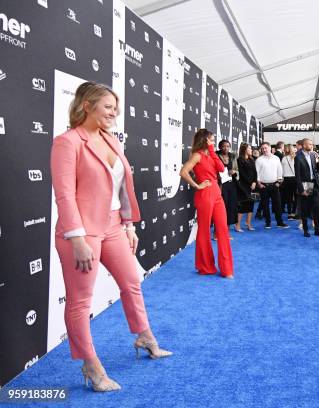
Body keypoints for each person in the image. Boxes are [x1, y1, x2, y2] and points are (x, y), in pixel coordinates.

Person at [50, 82, 171, 392]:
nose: (114, 112)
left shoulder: (111, 139)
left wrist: (129, 225)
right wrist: (76, 238)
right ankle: (91, 366)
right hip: (82, 231)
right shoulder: (67, 142)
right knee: (79, 302)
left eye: (115, 107)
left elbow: (122, 187)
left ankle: (144, 336)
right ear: (87, 106)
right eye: (108, 106)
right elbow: (64, 195)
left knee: (132, 280)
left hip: (114, 226)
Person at [180, 129, 234, 279]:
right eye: (211, 139)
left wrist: (211, 149)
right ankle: (205, 267)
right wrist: (197, 186)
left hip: (216, 192)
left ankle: (226, 269)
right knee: (204, 230)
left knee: (223, 229)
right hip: (205, 194)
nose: (213, 141)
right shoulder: (196, 155)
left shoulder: (210, 154)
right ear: (204, 139)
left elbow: (221, 168)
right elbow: (183, 172)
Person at [294, 138, 319, 238]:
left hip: (314, 184)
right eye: (309, 144)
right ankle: (306, 230)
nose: (311, 146)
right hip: (305, 185)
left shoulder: (313, 155)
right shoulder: (298, 157)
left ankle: (317, 230)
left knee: (316, 208)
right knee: (305, 209)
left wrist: (318, 158)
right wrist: (301, 190)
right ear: (304, 145)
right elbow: (297, 176)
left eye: (312, 144)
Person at [255, 142, 289, 229]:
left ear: (270, 148)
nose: (264, 150)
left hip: (275, 185)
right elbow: (257, 173)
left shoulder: (276, 158)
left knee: (278, 204)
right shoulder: (259, 160)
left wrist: (279, 182)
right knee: (265, 205)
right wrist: (259, 183)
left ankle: (279, 222)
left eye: (266, 148)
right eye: (262, 148)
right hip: (263, 186)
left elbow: (280, 171)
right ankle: (268, 222)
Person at [216, 140, 239, 232]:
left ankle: (226, 231)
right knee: (221, 208)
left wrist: (234, 172)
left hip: (232, 185)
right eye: (224, 146)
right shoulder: (216, 156)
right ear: (220, 147)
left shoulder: (232, 156)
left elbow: (237, 170)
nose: (226, 148)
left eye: (228, 146)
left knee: (231, 207)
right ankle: (216, 232)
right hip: (220, 185)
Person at [236, 142, 257, 231]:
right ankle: (238, 225)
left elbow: (255, 172)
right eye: (249, 148)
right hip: (243, 186)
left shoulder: (252, 159)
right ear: (245, 149)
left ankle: (248, 223)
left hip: (252, 185)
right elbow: (242, 174)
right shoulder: (240, 160)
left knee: (251, 204)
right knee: (243, 205)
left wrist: (254, 182)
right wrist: (250, 183)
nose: (251, 150)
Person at [280, 144, 297, 219]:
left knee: (288, 197)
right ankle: (293, 212)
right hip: (295, 179)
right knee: (296, 196)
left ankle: (289, 213)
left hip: (286, 179)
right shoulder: (296, 158)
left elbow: (281, 170)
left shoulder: (284, 158)